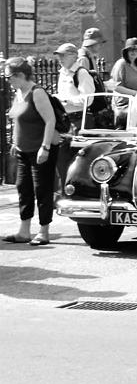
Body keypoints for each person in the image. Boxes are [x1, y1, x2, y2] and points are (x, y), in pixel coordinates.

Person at [2, 58, 61, 246]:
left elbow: (50, 121)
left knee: (42, 189)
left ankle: (44, 231)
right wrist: (14, 142)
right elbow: (19, 119)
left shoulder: (37, 93)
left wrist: (45, 147)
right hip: (23, 150)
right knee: (23, 188)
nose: (7, 80)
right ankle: (24, 231)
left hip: (40, 149)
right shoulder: (18, 93)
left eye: (9, 76)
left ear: (20, 75)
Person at [54, 42, 96, 186]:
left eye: (63, 55)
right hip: (66, 121)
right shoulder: (63, 72)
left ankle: (76, 190)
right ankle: (65, 190)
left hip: (80, 121)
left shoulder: (82, 73)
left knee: (78, 158)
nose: (60, 58)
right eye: (59, 55)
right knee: (62, 157)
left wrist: (65, 100)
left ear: (73, 56)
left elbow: (88, 99)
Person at [109, 38, 137, 129]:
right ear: (126, 52)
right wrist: (136, 94)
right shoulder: (121, 64)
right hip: (124, 105)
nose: (133, 52)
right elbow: (116, 87)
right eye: (131, 49)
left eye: (136, 50)